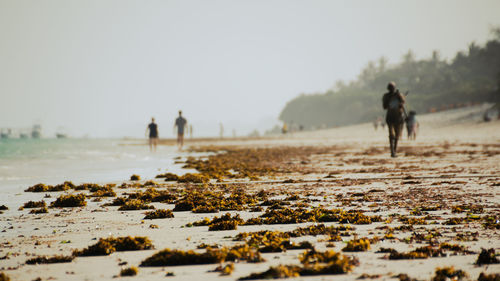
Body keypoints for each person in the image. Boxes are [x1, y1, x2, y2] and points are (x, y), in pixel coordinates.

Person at [382, 82, 406, 157]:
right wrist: (390, 100)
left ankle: (394, 151)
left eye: (392, 88)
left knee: (397, 136)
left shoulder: (399, 95)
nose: (392, 89)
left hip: (398, 118)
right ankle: (392, 152)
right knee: (391, 135)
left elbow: (402, 103)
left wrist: (399, 97)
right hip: (390, 117)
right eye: (390, 88)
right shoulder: (386, 96)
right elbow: (384, 107)